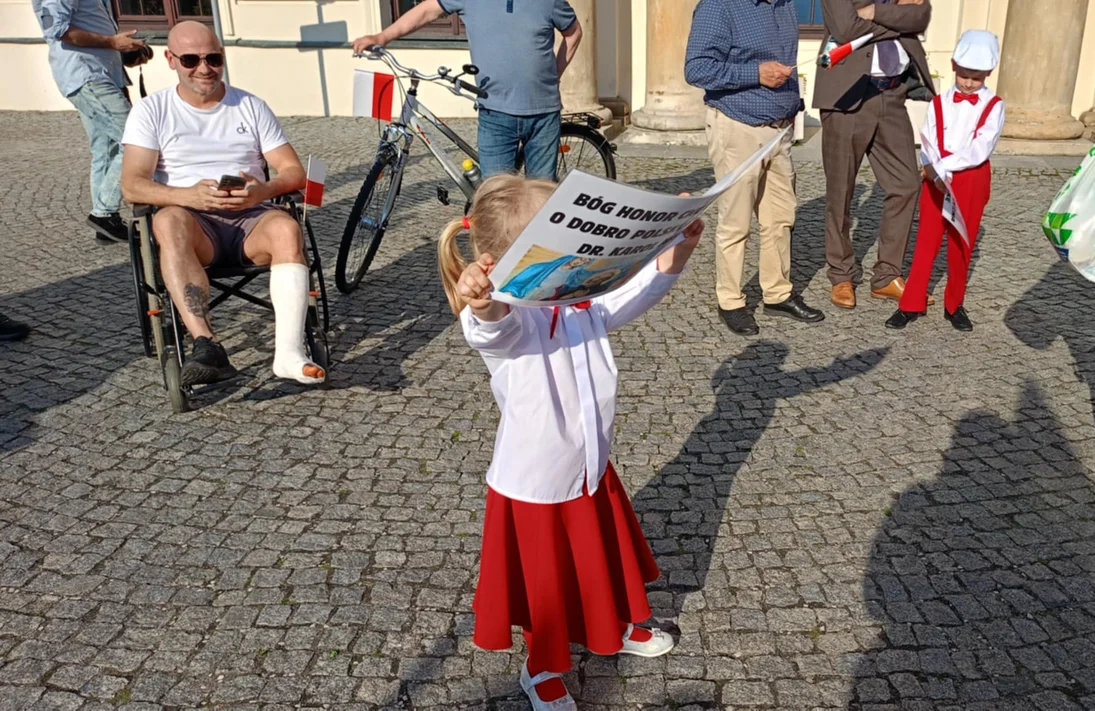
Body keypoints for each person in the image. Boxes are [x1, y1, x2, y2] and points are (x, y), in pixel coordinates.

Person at [438, 174, 703, 711]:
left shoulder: (577, 299)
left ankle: (614, 624)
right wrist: (482, 302)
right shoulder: (511, 315)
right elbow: (491, 329)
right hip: (537, 484)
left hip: (589, 464)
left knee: (600, 554)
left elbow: (630, 297)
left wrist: (677, 246)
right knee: (548, 582)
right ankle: (541, 667)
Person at [120, 22, 323, 388]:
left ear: (223, 56)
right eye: (191, 59)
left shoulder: (250, 106)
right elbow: (132, 185)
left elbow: (294, 172)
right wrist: (186, 196)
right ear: (170, 59)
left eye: (213, 58)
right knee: (167, 222)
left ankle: (289, 354)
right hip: (194, 224)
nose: (204, 68)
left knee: (286, 227)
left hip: (251, 218)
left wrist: (262, 190)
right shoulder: (151, 111)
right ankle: (207, 345)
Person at [684, 0, 824, 336]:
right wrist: (756, 73)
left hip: (780, 129)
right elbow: (696, 69)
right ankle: (730, 301)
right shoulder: (719, 6)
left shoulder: (785, 5)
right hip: (738, 126)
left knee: (781, 216)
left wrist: (792, 104)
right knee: (736, 220)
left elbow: (786, 64)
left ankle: (777, 293)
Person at [351, 0, 582, 181]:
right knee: (495, 199)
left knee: (541, 196)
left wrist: (554, 75)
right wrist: (382, 36)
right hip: (495, 113)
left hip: (543, 115)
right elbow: (427, 10)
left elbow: (573, 33)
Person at [814, 0, 934, 310]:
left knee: (906, 184)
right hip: (848, 97)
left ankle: (886, 276)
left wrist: (875, 14)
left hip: (893, 95)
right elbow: (846, 29)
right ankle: (841, 274)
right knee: (841, 191)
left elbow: (921, 17)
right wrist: (897, 22)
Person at [886, 30, 1003, 333]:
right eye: (964, 75)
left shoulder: (994, 106)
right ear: (953, 66)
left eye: (976, 78)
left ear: (988, 74)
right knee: (926, 239)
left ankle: (954, 304)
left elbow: (980, 147)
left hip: (970, 177)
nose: (968, 83)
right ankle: (911, 303)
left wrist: (944, 168)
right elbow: (928, 137)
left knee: (961, 242)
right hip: (935, 176)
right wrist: (931, 168)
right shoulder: (939, 101)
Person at [33, 0, 151, 243]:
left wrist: (124, 51)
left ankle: (106, 223)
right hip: (87, 76)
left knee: (106, 150)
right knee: (136, 141)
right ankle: (104, 214)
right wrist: (112, 43)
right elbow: (57, 29)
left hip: (101, 74)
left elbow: (90, 27)